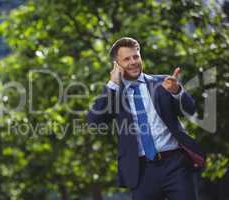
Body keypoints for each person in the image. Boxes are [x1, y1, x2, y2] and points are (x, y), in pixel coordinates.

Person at [87, 37, 206, 200]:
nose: (133, 62)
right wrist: (112, 84)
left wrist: (177, 91)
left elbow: (191, 110)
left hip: (175, 164)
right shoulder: (115, 94)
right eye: (126, 59)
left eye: (136, 56)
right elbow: (93, 122)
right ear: (117, 64)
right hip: (141, 171)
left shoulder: (162, 83)